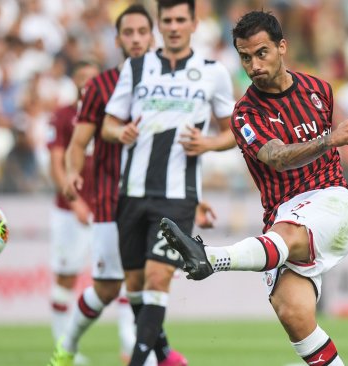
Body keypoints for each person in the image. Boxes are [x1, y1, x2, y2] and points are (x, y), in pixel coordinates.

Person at [160, 11, 348, 366]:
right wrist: (328, 140)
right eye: (245, 57)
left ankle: (211, 258)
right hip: (282, 214)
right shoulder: (244, 115)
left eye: (261, 53)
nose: (254, 64)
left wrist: (330, 141)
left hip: (330, 199)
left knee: (289, 234)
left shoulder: (319, 90)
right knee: (293, 314)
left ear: (282, 47)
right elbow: (277, 158)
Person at [48, 5, 217, 366]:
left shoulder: (171, 77)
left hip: (159, 196)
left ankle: (156, 355)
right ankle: (69, 346)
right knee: (112, 287)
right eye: (129, 33)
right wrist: (73, 174)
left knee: (149, 280)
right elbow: (78, 142)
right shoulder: (101, 85)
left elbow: (174, 150)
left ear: (152, 35)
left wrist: (196, 199)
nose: (137, 39)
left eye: (143, 32)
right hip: (111, 200)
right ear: (119, 39)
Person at [101, 1, 236, 365]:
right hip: (131, 193)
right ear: (159, 25)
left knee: (157, 279)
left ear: (194, 23)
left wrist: (207, 143)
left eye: (181, 20)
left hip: (177, 196)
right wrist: (121, 131)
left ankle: (137, 362)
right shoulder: (135, 68)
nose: (174, 27)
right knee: (135, 288)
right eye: (167, 21)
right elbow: (107, 125)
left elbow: (234, 132)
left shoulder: (212, 72)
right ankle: (166, 357)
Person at [45, 60, 100, 364]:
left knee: (121, 276)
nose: (87, 83)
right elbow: (56, 161)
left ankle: (131, 344)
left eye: (92, 78)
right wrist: (75, 199)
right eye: (81, 78)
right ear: (74, 82)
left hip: (105, 207)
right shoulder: (64, 115)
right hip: (70, 211)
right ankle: (63, 346)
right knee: (66, 277)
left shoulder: (111, 115)